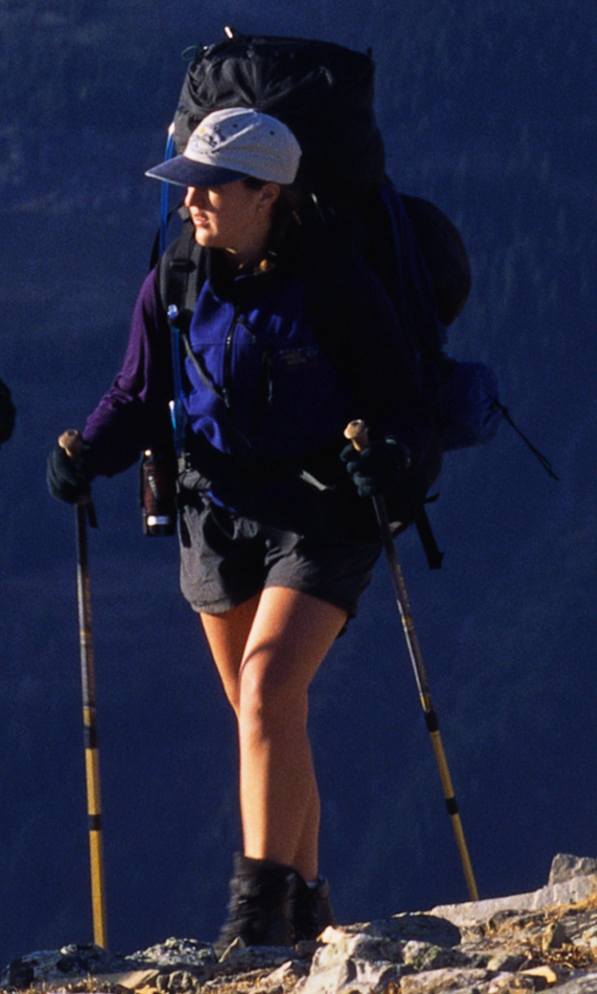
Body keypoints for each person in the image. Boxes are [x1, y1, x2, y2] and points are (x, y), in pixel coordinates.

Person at [47, 106, 434, 951]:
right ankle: (307, 909)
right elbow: (137, 391)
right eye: (184, 186)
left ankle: (258, 921)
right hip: (216, 515)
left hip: (321, 515)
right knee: (264, 709)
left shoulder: (335, 279)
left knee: (264, 692)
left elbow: (403, 402)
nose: (190, 202)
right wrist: (86, 451)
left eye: (209, 187)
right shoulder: (178, 276)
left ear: (269, 192)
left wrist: (390, 459)